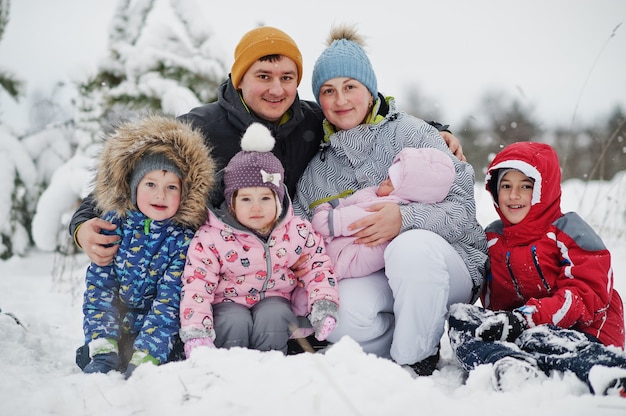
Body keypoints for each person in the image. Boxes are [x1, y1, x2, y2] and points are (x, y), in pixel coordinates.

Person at [67, 26, 464, 352]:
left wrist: (437, 132)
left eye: (287, 78)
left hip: (284, 267)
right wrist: (83, 222)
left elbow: (368, 108)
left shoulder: (311, 121)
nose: (277, 89)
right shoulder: (200, 126)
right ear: (240, 79)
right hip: (218, 267)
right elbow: (134, 173)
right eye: (264, 77)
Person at [292, 24, 488, 375]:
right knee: (341, 313)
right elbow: (303, 237)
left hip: (445, 263)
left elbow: (462, 213)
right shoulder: (317, 171)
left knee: (408, 249)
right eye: (328, 90)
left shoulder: (413, 134)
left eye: (350, 87)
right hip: (372, 272)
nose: (340, 100)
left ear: (369, 89)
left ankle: (417, 358)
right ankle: (398, 354)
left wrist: (404, 219)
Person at [447, 141, 626, 396]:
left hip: (582, 332)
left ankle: (606, 371)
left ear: (545, 190)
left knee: (537, 337)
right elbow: (471, 279)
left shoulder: (569, 232)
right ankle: (508, 364)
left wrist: (527, 318)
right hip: (519, 329)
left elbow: (585, 295)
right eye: (506, 186)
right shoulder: (493, 239)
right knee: (461, 318)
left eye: (526, 187)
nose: (513, 195)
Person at [180, 123, 339, 356]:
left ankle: (270, 368)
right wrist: (196, 332)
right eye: (245, 199)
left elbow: (317, 267)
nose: (256, 208)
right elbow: (197, 285)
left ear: (278, 199)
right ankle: (228, 370)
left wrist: (324, 304)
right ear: (231, 203)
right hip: (227, 304)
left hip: (276, 301)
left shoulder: (296, 231)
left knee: (273, 314)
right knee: (234, 320)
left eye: (265, 198)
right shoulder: (211, 237)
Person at [76, 115, 215, 378]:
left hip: (160, 340)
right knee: (90, 357)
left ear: (185, 193)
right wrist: (104, 346)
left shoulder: (184, 240)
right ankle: (107, 351)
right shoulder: (113, 227)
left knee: (167, 363)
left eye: (171, 187)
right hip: (118, 331)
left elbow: (170, 303)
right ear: (132, 188)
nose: (160, 195)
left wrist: (146, 356)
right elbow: (100, 290)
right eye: (150, 184)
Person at [310, 146, 455, 279]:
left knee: (312, 287)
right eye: (387, 178)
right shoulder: (376, 194)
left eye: (390, 182)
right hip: (332, 250)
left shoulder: (383, 209)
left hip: (341, 260)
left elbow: (341, 221)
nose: (383, 182)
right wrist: (331, 205)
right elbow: (349, 202)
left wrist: (324, 217)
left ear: (403, 191)